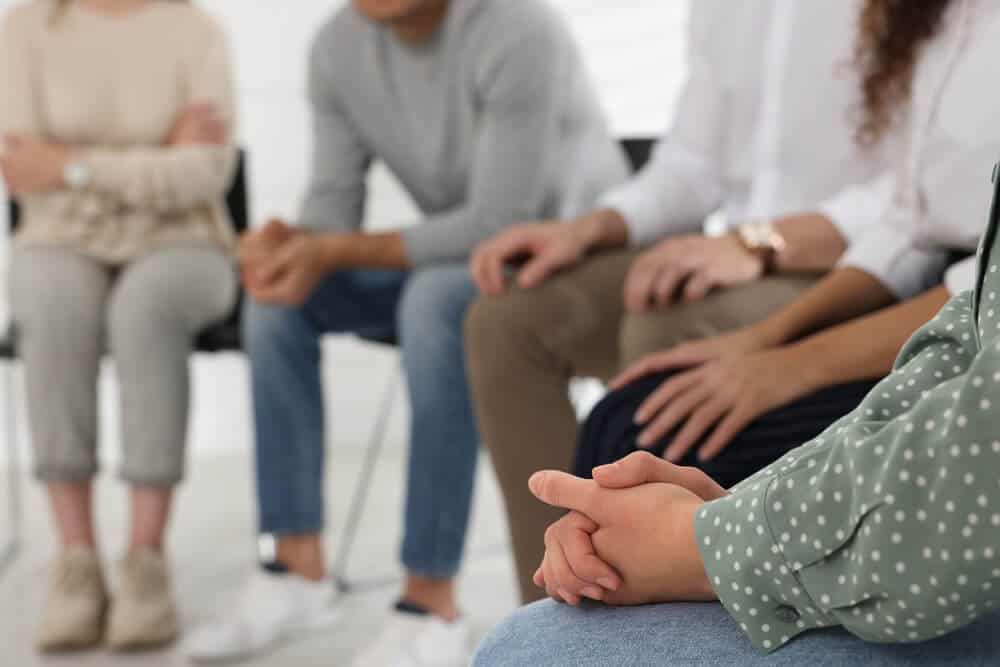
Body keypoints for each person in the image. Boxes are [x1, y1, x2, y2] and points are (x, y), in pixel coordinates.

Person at [473, 1, 1000, 664]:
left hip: (834, 264)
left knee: (643, 430)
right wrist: (761, 353)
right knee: (602, 409)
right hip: (897, 287)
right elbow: (923, 242)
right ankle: (575, 573)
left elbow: (975, 448)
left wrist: (707, 540)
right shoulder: (936, 20)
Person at [184, 0, 628, 664]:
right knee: (279, 302)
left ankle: (430, 602)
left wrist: (330, 250)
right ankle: (296, 566)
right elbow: (333, 210)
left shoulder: (518, 29)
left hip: (570, 258)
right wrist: (295, 244)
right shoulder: (337, 47)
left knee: (433, 301)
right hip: (463, 258)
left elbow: (500, 220)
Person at [0, 0, 237, 652]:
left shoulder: (198, 33)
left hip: (186, 243)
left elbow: (203, 174)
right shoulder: (27, 28)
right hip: (58, 239)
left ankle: (145, 564)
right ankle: (76, 564)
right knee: (48, 297)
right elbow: (19, 167)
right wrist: (155, 154)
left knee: (144, 306)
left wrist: (72, 165)